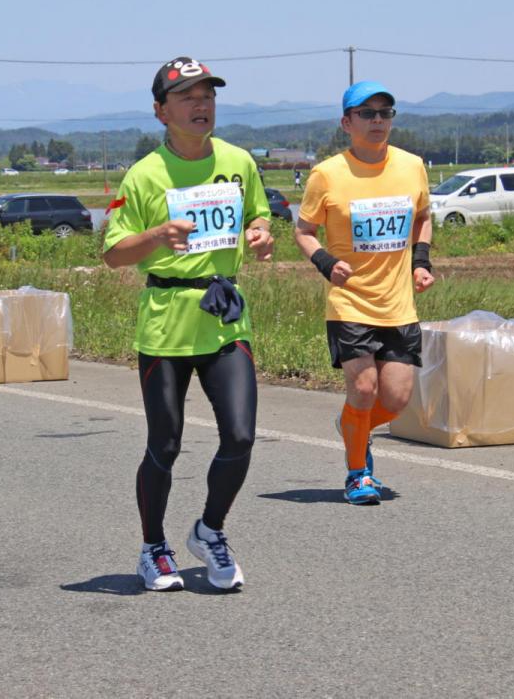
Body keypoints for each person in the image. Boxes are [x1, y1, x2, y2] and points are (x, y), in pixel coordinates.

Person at [103, 56, 274, 592]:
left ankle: (209, 530)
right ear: (161, 111)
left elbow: (259, 216)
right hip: (166, 324)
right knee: (166, 445)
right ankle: (153, 547)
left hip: (224, 318)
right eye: (187, 97)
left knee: (241, 436)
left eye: (208, 95)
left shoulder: (239, 161)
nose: (201, 105)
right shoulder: (145, 174)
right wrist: (155, 236)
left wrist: (263, 234)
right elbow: (112, 252)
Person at [293, 81, 435, 505]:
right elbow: (303, 231)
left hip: (399, 305)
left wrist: (421, 262)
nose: (377, 121)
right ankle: (358, 475)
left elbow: (423, 217)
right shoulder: (327, 174)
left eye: (385, 113)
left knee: (396, 399)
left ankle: (353, 424)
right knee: (365, 390)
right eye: (367, 113)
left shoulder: (411, 166)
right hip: (350, 301)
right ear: (346, 122)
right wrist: (325, 263)